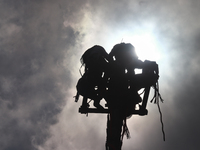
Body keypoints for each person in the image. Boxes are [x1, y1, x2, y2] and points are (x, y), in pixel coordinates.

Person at [105, 43, 159, 150]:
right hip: (119, 98)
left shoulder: (117, 64)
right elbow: (141, 66)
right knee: (115, 127)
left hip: (119, 98)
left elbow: (141, 66)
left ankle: (113, 144)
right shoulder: (121, 65)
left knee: (114, 127)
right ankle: (113, 144)